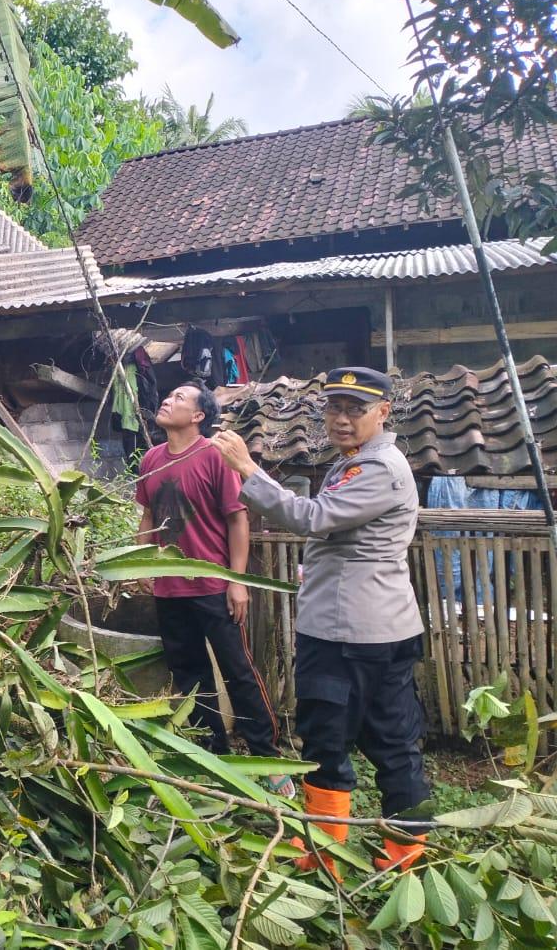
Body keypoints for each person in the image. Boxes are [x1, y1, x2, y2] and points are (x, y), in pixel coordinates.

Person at [212, 366, 430, 878]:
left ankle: (363, 854)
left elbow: (312, 518)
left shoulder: (378, 468)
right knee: (365, 737)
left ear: (384, 412)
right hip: (365, 626)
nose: (342, 419)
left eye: (356, 410)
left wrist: (248, 469)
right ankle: (365, 854)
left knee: (352, 739)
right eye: (334, 407)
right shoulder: (351, 464)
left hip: (349, 635)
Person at [135, 382, 293, 797]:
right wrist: (139, 563)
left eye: (179, 398)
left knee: (238, 670)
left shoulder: (214, 457)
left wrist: (236, 583)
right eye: (169, 397)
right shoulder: (151, 459)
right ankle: (212, 749)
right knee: (188, 673)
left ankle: (268, 757)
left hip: (212, 584)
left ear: (199, 416)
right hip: (169, 588)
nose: (168, 400)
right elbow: (149, 515)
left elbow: (237, 520)